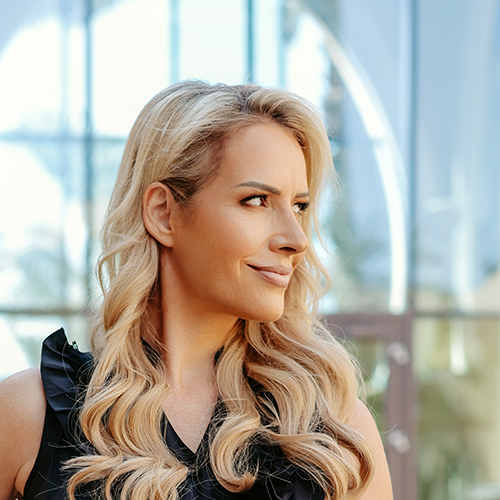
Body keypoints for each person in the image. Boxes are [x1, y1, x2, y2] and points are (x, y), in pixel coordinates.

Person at [0, 81, 392, 500]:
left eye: (299, 207)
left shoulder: (334, 433)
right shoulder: (29, 414)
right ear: (163, 214)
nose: (297, 239)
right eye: (257, 200)